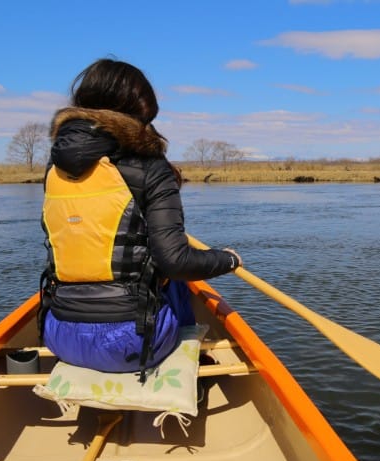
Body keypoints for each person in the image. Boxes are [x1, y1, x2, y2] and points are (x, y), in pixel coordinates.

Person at [39, 58, 241, 382]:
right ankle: (192, 360)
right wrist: (227, 259)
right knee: (175, 279)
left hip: (58, 333)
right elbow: (176, 261)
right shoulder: (150, 167)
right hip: (132, 345)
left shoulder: (53, 170)